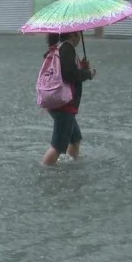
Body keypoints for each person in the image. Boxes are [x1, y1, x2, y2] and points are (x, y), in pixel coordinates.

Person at [41, 32, 96, 166]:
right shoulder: (67, 48)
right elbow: (69, 74)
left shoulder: (59, 47)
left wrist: (80, 66)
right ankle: (44, 169)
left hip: (60, 103)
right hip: (64, 104)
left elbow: (64, 70)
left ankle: (73, 164)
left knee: (75, 138)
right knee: (58, 147)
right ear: (73, 35)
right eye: (78, 34)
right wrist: (88, 73)